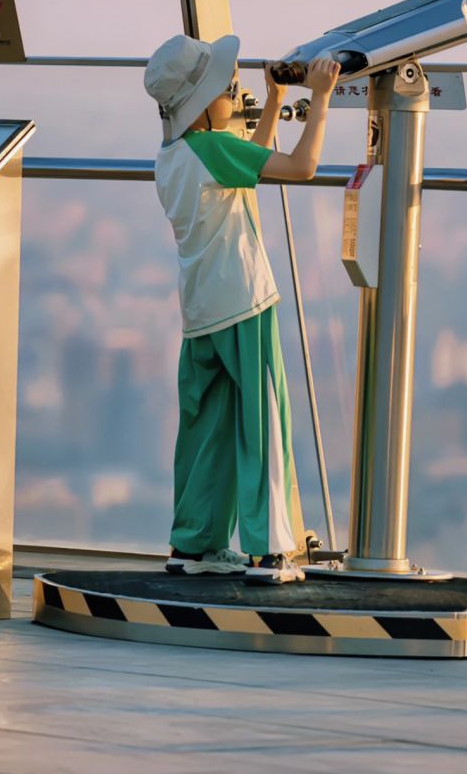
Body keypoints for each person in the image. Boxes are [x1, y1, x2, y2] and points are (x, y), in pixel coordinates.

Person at [144, 32, 340, 584]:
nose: (235, 92)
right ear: (205, 103)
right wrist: (320, 97)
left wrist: (275, 101)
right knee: (264, 421)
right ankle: (271, 549)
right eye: (229, 87)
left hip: (200, 310)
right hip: (245, 302)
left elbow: (248, 161)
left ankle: (195, 543)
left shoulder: (173, 156)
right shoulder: (214, 149)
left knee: (204, 428)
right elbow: (300, 168)